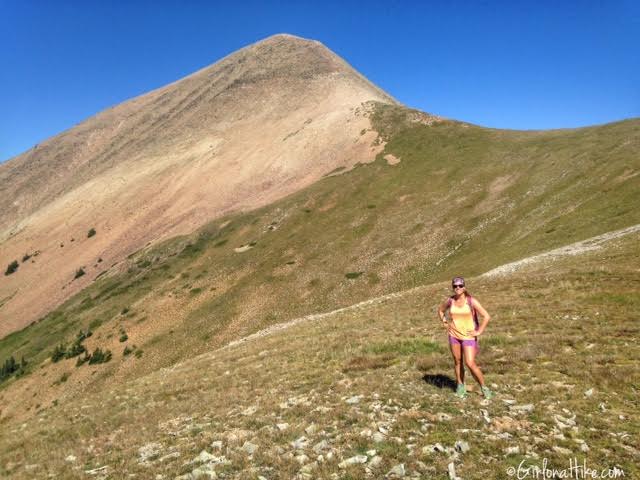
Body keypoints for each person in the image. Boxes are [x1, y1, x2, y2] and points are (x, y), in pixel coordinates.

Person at [437, 276, 494, 399]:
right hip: (454, 336)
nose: (457, 288)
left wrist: (479, 331)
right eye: (455, 286)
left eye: (460, 286)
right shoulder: (450, 301)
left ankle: (484, 387)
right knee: (457, 361)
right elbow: (441, 311)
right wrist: (445, 323)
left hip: (468, 336)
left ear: (464, 287)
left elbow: (486, 316)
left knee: (470, 362)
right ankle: (460, 386)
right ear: (453, 288)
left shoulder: (471, 301)